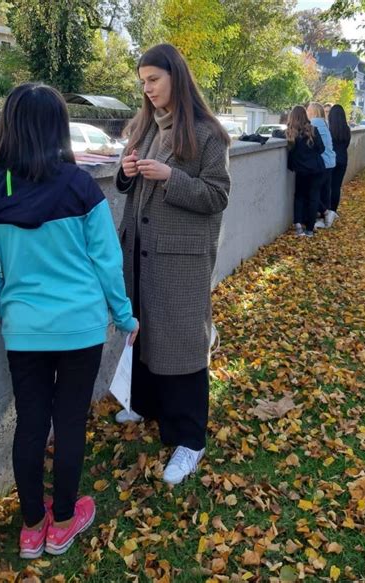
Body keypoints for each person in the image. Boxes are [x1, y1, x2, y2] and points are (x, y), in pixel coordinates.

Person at [0, 83, 138, 559]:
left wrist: (10, 310)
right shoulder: (80, 185)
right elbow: (107, 259)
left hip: (24, 331)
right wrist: (124, 316)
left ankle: (31, 527)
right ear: (58, 128)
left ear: (9, 127)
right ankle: (64, 522)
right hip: (81, 327)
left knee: (30, 423)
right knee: (68, 422)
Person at [114, 43, 231, 485]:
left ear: (175, 77)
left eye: (153, 80)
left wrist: (171, 179)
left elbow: (218, 195)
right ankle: (144, 403)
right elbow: (125, 183)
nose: (147, 90)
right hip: (140, 253)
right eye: (142, 82)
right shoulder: (144, 127)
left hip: (180, 261)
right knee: (144, 330)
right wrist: (126, 171)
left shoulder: (207, 134)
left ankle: (189, 439)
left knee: (181, 344)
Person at [286, 105, 326, 237]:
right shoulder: (313, 130)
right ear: (305, 116)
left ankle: (298, 225)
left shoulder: (291, 133)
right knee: (314, 197)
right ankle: (309, 229)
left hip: (301, 170)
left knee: (299, 196)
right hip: (316, 168)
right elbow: (321, 149)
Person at [306, 102, 336, 228]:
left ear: (312, 112)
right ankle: (325, 217)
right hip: (330, 161)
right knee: (324, 191)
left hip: (322, 163)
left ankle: (326, 213)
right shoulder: (325, 123)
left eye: (308, 110)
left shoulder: (313, 123)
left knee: (311, 192)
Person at [328, 104, 351, 220]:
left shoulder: (329, 130)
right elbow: (346, 144)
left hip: (331, 160)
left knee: (328, 186)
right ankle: (333, 210)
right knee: (337, 186)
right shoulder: (346, 130)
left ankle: (327, 210)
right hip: (343, 159)